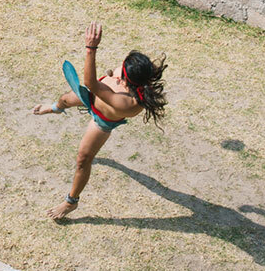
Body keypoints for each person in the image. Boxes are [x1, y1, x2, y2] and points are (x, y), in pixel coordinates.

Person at [33, 22, 167, 220]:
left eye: (122, 75)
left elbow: (91, 83)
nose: (118, 72)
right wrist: (111, 74)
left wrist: (91, 49)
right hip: (91, 98)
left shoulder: (128, 103)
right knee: (65, 99)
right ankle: (55, 108)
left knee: (83, 160)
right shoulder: (134, 73)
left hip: (102, 120)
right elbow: (99, 83)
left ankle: (71, 202)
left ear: (128, 83)